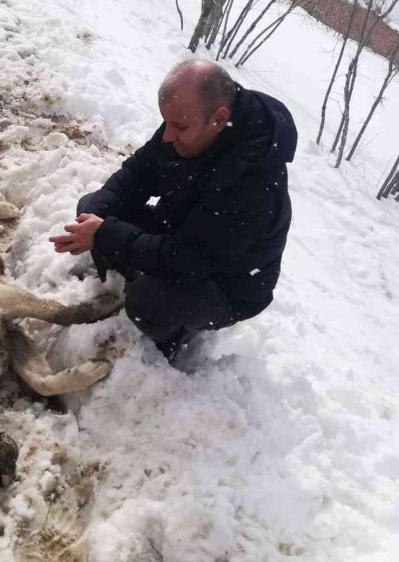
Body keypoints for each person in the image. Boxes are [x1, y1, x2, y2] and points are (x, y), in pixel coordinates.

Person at [49, 59, 297, 363]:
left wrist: (106, 236)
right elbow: (137, 173)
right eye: (166, 122)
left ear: (219, 119)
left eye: (178, 126)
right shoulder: (189, 119)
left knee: (148, 298)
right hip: (180, 232)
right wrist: (99, 216)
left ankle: (171, 339)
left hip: (226, 283)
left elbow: (186, 259)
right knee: (92, 208)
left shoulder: (253, 182)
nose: (167, 135)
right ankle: (130, 277)